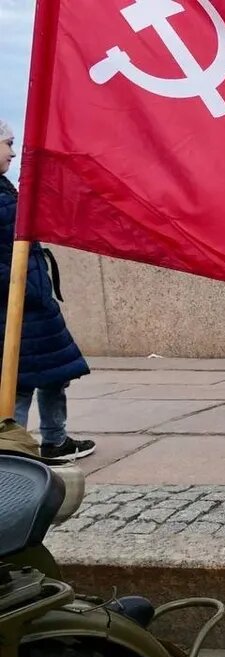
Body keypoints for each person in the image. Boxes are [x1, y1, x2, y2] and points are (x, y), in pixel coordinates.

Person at [0, 119, 95, 460]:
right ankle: (14, 451)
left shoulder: (4, 189)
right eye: (7, 143)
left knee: (56, 375)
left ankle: (55, 439)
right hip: (14, 306)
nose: (12, 150)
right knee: (20, 384)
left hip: (34, 303)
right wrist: (17, 278)